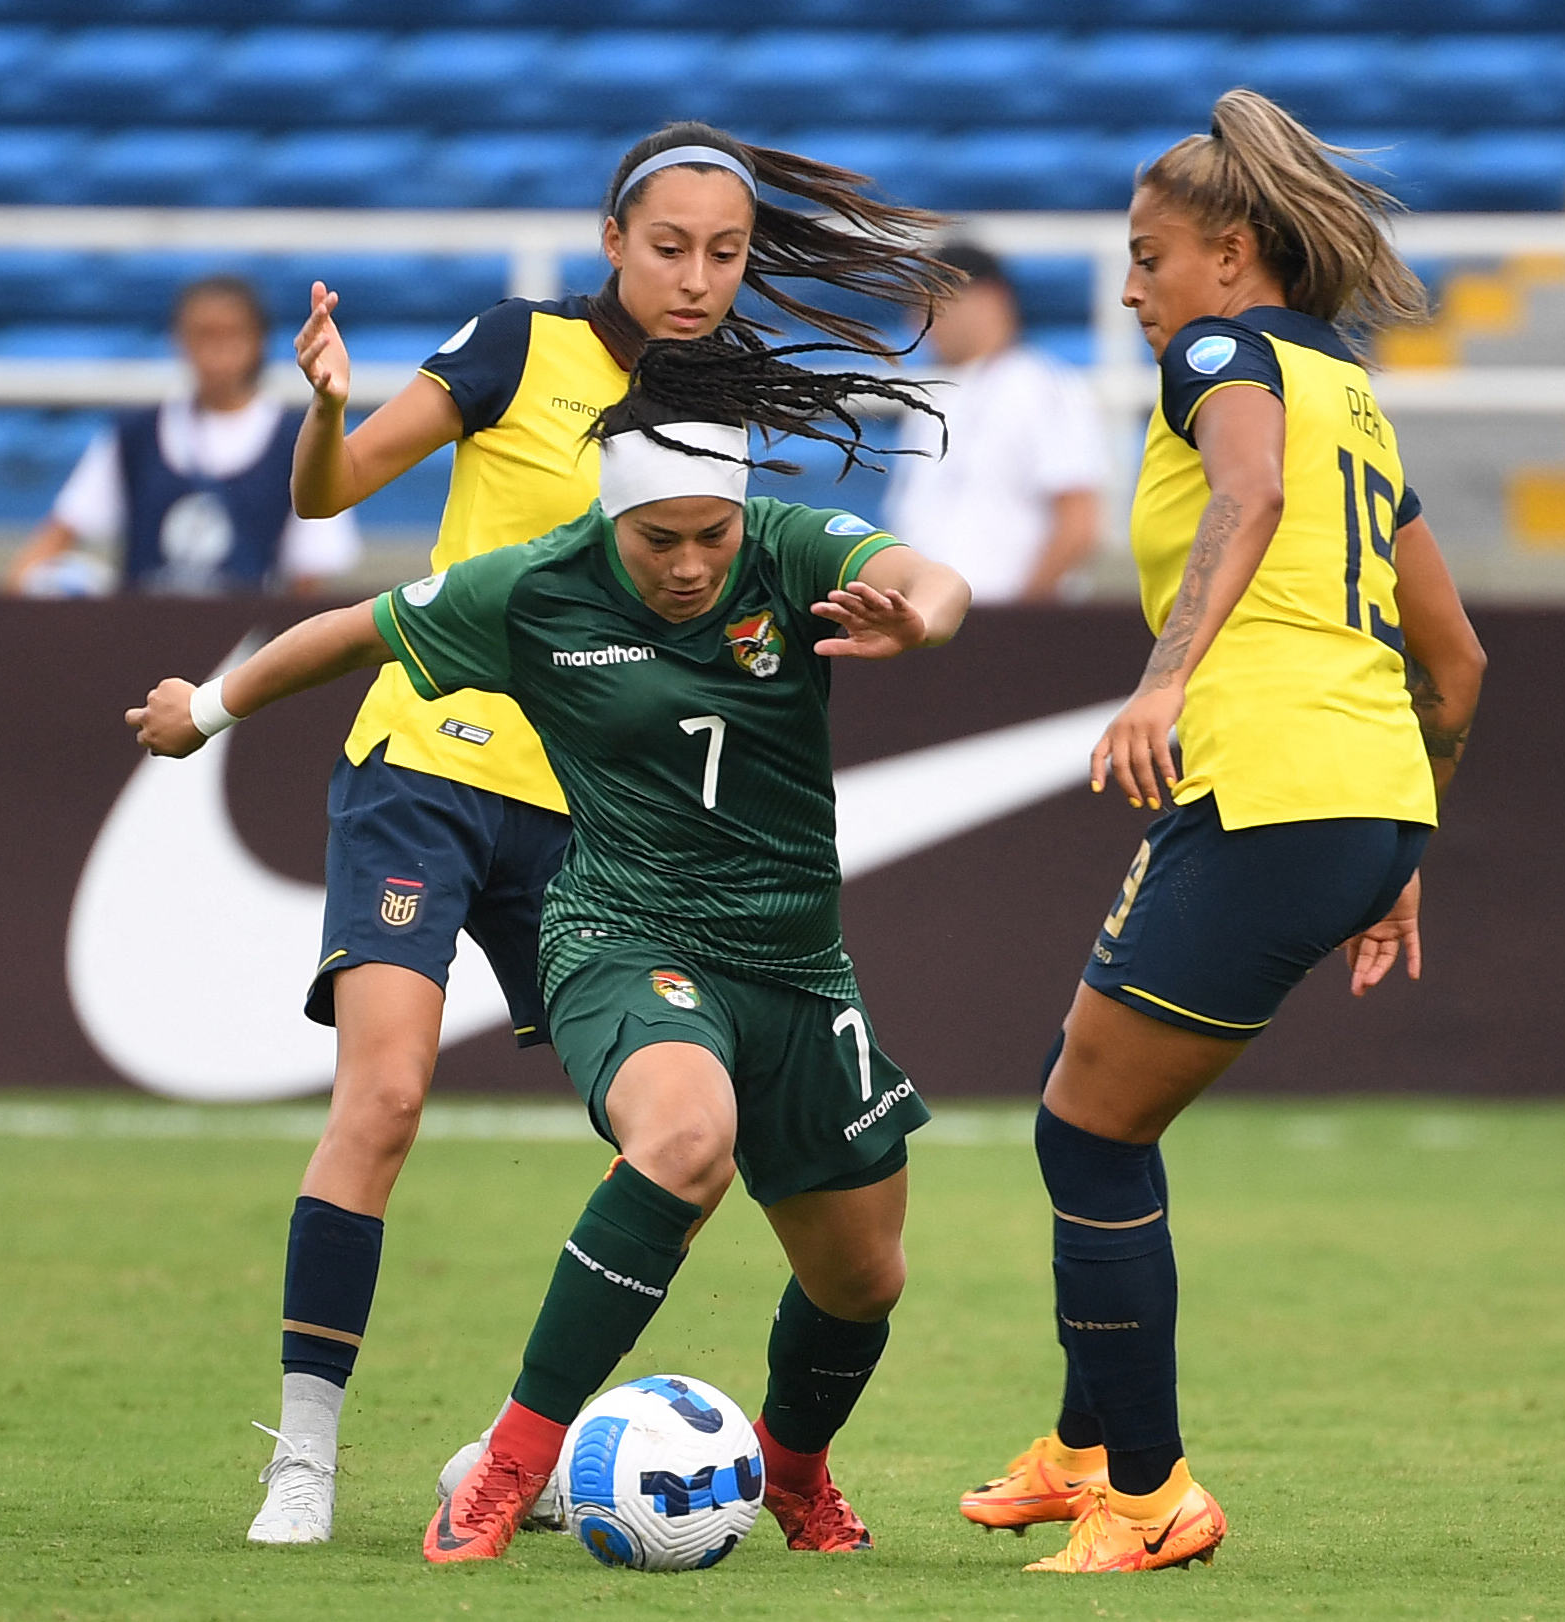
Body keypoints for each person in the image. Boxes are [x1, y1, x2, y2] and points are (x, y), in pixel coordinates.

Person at [128, 337, 971, 1562]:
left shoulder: (787, 547)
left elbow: (927, 575)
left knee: (863, 1279)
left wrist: (921, 623)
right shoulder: (533, 587)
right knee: (685, 1142)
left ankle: (793, 1473)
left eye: (709, 537)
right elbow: (352, 630)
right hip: (622, 933)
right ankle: (509, 1466)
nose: (689, 565)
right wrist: (203, 712)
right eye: (658, 540)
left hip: (795, 963)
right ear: (611, 518)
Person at [958, 89, 1488, 1575]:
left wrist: (1165, 676)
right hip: (1354, 796)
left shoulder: (1222, 354)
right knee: (1090, 1098)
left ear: (1230, 253)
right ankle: (1082, 1448)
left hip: (1270, 784)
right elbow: (1456, 663)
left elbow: (1242, 496)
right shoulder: (1353, 397)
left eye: (1146, 256)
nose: (1132, 291)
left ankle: (1148, 1488)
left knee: (1088, 1128)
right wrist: (1401, 842)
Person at [7, 274, 359, 596]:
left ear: (258, 340)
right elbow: (58, 534)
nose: (216, 349)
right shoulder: (136, 433)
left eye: (230, 334)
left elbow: (309, 577)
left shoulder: (297, 440)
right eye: (202, 334)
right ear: (179, 339)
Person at [885, 241, 1106, 603]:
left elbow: (1078, 522)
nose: (920, 325)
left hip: (1007, 627)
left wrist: (1021, 617)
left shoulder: (1043, 386)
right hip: (930, 624)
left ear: (988, 299)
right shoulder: (934, 399)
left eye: (932, 306)